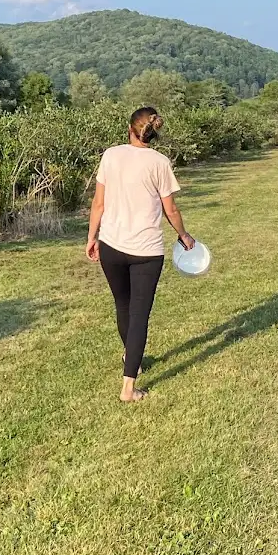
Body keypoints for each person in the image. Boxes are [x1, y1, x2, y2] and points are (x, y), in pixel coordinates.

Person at [86, 107, 195, 403]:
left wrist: (92, 237)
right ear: (153, 132)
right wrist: (184, 235)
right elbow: (170, 208)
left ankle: (129, 355)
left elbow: (98, 203)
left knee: (123, 306)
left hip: (111, 246)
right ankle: (128, 388)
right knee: (139, 315)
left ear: (129, 128)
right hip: (146, 251)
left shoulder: (110, 155)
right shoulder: (159, 162)